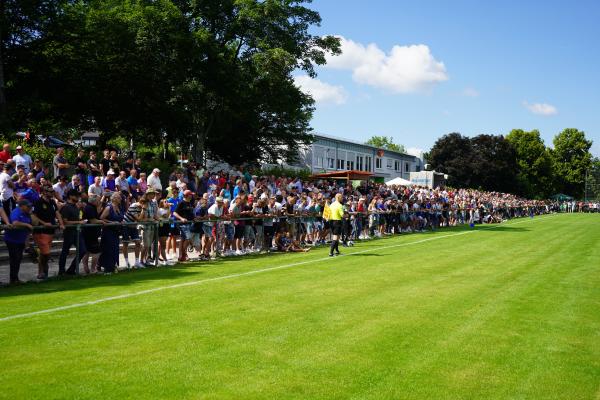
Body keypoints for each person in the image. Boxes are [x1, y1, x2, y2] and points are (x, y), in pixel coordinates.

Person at [32, 185, 65, 279]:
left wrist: (61, 223)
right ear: (44, 192)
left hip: (50, 231)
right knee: (45, 253)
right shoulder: (38, 202)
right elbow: (33, 216)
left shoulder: (52, 202)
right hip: (41, 230)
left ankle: (42, 272)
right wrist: (44, 223)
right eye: (49, 191)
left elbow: (57, 213)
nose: (52, 193)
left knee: (43, 253)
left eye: (52, 191)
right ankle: (44, 269)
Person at [58, 189, 87, 275]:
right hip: (69, 232)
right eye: (76, 196)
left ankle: (71, 269)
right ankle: (61, 271)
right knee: (65, 251)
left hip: (77, 232)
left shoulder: (75, 207)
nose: (78, 197)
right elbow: (65, 221)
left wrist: (80, 221)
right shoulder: (66, 207)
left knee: (82, 250)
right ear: (70, 196)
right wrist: (79, 222)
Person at [5, 199, 34, 283]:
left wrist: (27, 245)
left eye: (30, 206)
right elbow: (15, 223)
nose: (29, 207)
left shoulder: (27, 213)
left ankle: (15, 278)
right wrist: (26, 224)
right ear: (22, 206)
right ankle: (13, 279)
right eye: (28, 206)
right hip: (12, 240)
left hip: (21, 240)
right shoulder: (16, 211)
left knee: (18, 259)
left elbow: (31, 227)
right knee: (15, 259)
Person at [99, 191, 124, 273]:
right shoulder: (108, 207)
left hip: (116, 232)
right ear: (114, 199)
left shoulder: (119, 207)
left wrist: (121, 222)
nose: (120, 199)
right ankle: (106, 267)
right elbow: (101, 218)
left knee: (115, 249)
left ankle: (113, 266)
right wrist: (112, 222)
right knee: (108, 249)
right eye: (119, 197)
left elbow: (120, 218)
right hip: (108, 232)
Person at [81, 194, 104, 274]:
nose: (99, 201)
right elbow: (93, 220)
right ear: (94, 201)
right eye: (98, 200)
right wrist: (102, 222)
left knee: (87, 251)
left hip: (89, 233)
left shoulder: (91, 207)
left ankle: (87, 269)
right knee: (96, 252)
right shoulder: (90, 208)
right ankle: (93, 269)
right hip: (90, 234)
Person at [122, 194, 144, 269]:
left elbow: (143, 218)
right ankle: (127, 262)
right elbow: (139, 219)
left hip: (133, 227)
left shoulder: (142, 208)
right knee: (125, 243)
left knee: (138, 243)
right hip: (126, 226)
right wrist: (144, 210)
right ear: (141, 202)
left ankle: (137, 262)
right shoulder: (134, 206)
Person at [173, 189, 195, 262]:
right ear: (186, 195)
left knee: (183, 240)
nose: (191, 196)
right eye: (190, 194)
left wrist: (195, 218)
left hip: (189, 224)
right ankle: (184, 254)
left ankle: (181, 256)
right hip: (183, 225)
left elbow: (190, 214)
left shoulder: (190, 203)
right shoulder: (181, 203)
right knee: (188, 238)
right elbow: (174, 213)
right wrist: (181, 218)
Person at [140, 188, 159, 266]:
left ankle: (145, 261)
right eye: (151, 193)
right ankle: (141, 261)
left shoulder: (153, 203)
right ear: (147, 194)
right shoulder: (143, 202)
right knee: (145, 245)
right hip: (145, 227)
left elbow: (155, 215)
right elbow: (140, 218)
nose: (153, 195)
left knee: (148, 245)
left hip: (152, 227)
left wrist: (158, 219)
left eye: (153, 194)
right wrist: (149, 219)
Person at [328, 193, 344, 257]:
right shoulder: (339, 205)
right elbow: (342, 215)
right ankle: (331, 252)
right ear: (338, 198)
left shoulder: (331, 205)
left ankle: (337, 251)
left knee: (337, 236)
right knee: (335, 237)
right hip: (337, 221)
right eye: (341, 197)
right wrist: (347, 214)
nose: (342, 198)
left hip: (331, 221)